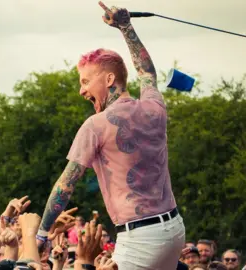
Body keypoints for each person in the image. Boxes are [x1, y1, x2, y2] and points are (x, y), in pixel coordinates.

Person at [36, 1, 185, 269]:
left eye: (85, 81)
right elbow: (147, 72)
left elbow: (65, 185)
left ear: (107, 80)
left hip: (140, 238)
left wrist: (42, 233)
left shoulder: (96, 125)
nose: (81, 91)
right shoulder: (154, 107)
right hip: (174, 229)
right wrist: (126, 26)